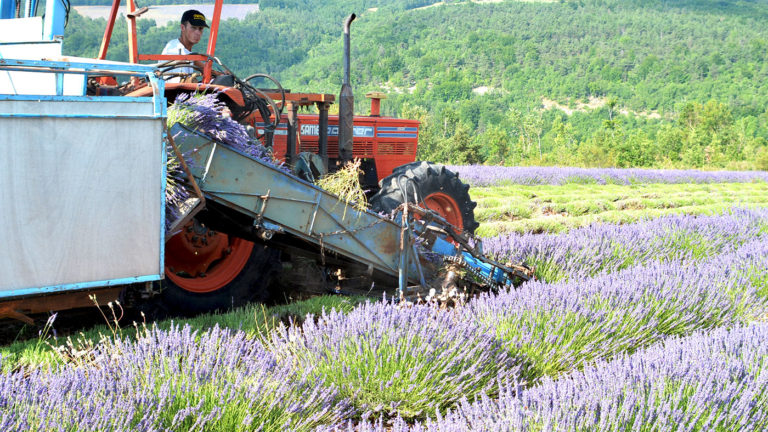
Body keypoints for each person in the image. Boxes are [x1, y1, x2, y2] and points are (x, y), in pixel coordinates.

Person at [161, 9, 209, 77]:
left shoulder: (186, 51)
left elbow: (194, 60)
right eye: (193, 28)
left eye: (200, 29)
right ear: (182, 27)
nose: (198, 33)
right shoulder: (175, 50)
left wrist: (217, 73)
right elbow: (180, 84)